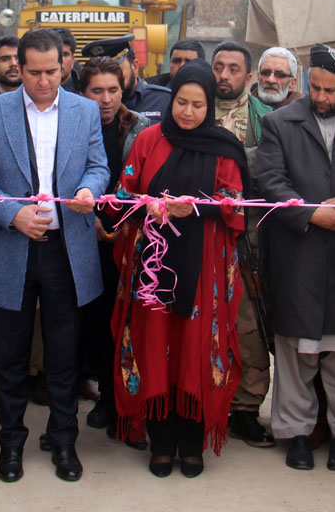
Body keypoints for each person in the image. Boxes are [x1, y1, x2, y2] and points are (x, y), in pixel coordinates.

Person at [0, 28, 109, 484]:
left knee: (64, 355)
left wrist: (90, 189)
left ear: (63, 66)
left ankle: (64, 441)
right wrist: (12, 214)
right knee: (9, 355)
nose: (45, 81)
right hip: (14, 248)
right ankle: (11, 445)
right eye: (35, 73)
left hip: (68, 250)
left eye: (53, 71)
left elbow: (98, 164)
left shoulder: (84, 110)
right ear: (17, 68)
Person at [111, 59, 247, 477]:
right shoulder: (148, 140)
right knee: (155, 347)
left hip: (202, 269)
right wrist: (144, 205)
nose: (187, 113)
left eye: (198, 105)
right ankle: (160, 441)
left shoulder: (225, 148)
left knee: (195, 350)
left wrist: (200, 207)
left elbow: (237, 204)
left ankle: (192, 442)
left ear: (212, 107)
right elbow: (121, 193)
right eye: (182, 103)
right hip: (154, 266)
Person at [254, 44, 335, 473]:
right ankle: (296, 433)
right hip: (296, 251)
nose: (320, 97)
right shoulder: (281, 123)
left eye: (330, 90)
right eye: (315, 87)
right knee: (296, 353)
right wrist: (311, 211)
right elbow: (268, 180)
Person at [75, 53, 151, 438]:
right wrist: (88, 224)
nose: (105, 99)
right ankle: (95, 395)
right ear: (81, 91)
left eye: (113, 90)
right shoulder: (69, 125)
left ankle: (117, 399)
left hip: (126, 239)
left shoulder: (138, 127)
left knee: (122, 322)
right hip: (79, 234)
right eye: (96, 91)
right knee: (89, 322)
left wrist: (121, 228)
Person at [210, 40, 274, 447]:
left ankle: (246, 409)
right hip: (201, 233)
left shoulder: (268, 120)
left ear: (248, 77)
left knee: (249, 324)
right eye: (218, 67)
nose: (224, 76)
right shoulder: (192, 109)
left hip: (250, 238)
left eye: (234, 69)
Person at [101, 34, 170, 122]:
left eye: (116, 71)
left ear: (134, 66)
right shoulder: (91, 105)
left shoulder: (163, 100)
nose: (110, 79)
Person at [51, 27, 80, 93]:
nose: (60, 60)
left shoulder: (87, 90)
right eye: (54, 54)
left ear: (73, 60)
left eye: (65, 54)